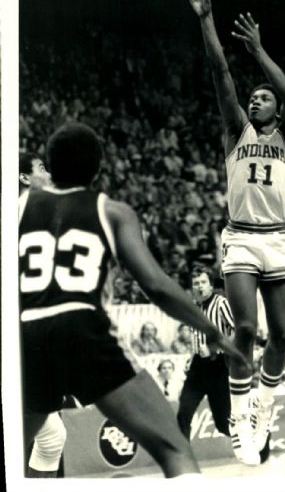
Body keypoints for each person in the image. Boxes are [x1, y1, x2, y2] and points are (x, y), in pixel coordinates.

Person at [19, 122, 248, 479]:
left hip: (27, 334)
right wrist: (213, 332)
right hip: (84, 329)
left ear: (50, 164)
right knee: (174, 448)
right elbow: (156, 286)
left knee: (18, 448)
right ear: (97, 168)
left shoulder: (17, 208)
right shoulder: (111, 211)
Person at [186, 0, 285, 465]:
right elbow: (219, 74)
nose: (256, 99)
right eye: (253, 97)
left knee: (282, 336)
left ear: (275, 110)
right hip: (240, 241)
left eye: (263, 97)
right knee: (247, 329)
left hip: (276, 241)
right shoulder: (236, 132)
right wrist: (207, 18)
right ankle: (238, 419)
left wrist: (258, 51)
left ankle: (263, 411)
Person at [19, 153, 67, 478]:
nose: (47, 173)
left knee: (52, 437)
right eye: (40, 168)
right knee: (22, 435)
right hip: (29, 329)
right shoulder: (34, 207)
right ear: (23, 177)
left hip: (35, 324)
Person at [176, 267, 234, 440]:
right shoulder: (193, 308)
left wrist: (214, 348)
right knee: (183, 413)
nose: (199, 287)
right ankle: (183, 459)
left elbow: (237, 332)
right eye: (196, 283)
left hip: (218, 365)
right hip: (197, 368)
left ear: (211, 285)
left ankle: (258, 438)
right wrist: (192, 357)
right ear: (192, 287)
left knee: (223, 425)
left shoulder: (221, 303)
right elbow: (197, 339)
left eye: (203, 282)